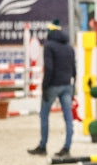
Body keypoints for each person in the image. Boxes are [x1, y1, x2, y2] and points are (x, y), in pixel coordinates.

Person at [28, 19, 76, 157]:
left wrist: (44, 87)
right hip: (67, 85)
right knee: (68, 117)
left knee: (44, 115)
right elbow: (74, 69)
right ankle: (67, 148)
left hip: (53, 85)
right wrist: (74, 86)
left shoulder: (49, 46)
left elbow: (48, 68)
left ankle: (43, 146)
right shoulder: (69, 47)